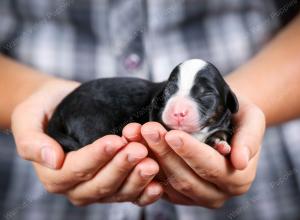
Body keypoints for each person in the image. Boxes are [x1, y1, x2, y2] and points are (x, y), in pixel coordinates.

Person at [0, 1, 299, 219]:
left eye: (203, 94)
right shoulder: (153, 109)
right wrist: (29, 98)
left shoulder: (227, 109)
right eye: (172, 92)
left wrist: (253, 105)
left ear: (229, 102)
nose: (179, 109)